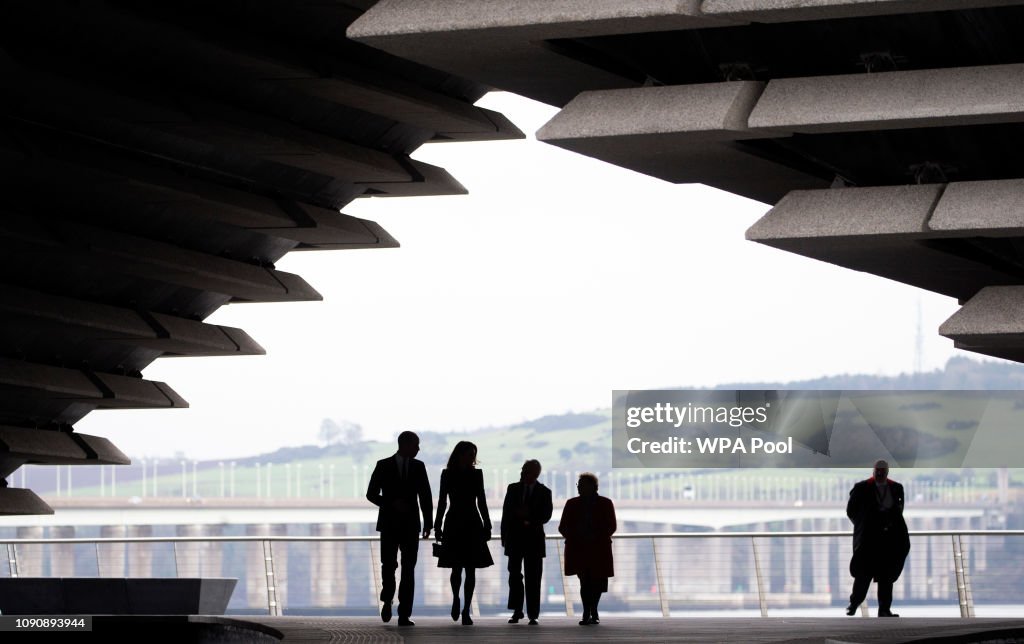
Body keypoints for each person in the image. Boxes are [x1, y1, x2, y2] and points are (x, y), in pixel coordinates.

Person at [366, 431, 432, 626]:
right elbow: (371, 494)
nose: (418, 449)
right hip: (389, 524)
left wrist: (428, 523)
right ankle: (387, 599)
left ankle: (404, 614)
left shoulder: (419, 467)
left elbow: (425, 495)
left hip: (411, 525)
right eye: (416, 445)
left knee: (408, 569)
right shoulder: (383, 465)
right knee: (389, 565)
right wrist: (390, 504)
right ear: (405, 445)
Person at [434, 441, 493, 625]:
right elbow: (442, 501)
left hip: (459, 521)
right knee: (460, 567)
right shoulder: (464, 474)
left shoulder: (452, 474)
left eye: (473, 455)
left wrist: (487, 523)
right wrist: (437, 525)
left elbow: (481, 500)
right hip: (467, 520)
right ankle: (459, 602)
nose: (472, 458)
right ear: (460, 455)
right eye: (469, 454)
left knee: (466, 568)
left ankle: (464, 607)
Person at [846, 459, 910, 618]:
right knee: (864, 574)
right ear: (873, 471)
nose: (880, 474)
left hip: (889, 540)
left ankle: (884, 609)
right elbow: (851, 511)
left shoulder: (896, 488)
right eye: (878, 471)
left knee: (886, 577)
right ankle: (854, 604)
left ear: (887, 472)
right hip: (869, 540)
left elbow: (899, 511)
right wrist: (863, 524)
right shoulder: (861, 488)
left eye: (883, 471)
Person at [559, 472, 616, 626]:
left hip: (594, 549)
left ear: (591, 486)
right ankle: (589, 611)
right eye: (578, 485)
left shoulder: (604, 503)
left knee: (595, 582)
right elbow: (563, 527)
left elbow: (611, 526)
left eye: (581, 485)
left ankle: (591, 611)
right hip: (584, 549)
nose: (578, 488)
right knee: (586, 581)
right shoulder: (574, 503)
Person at [501, 459, 553, 625]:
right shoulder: (513, 488)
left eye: (526, 470)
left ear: (535, 473)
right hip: (515, 540)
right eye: (523, 470)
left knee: (533, 578)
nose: (523, 473)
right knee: (514, 576)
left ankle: (532, 614)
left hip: (534, 542)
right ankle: (517, 610)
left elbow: (546, 515)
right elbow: (505, 514)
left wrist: (528, 519)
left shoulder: (545, 492)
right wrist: (504, 537)